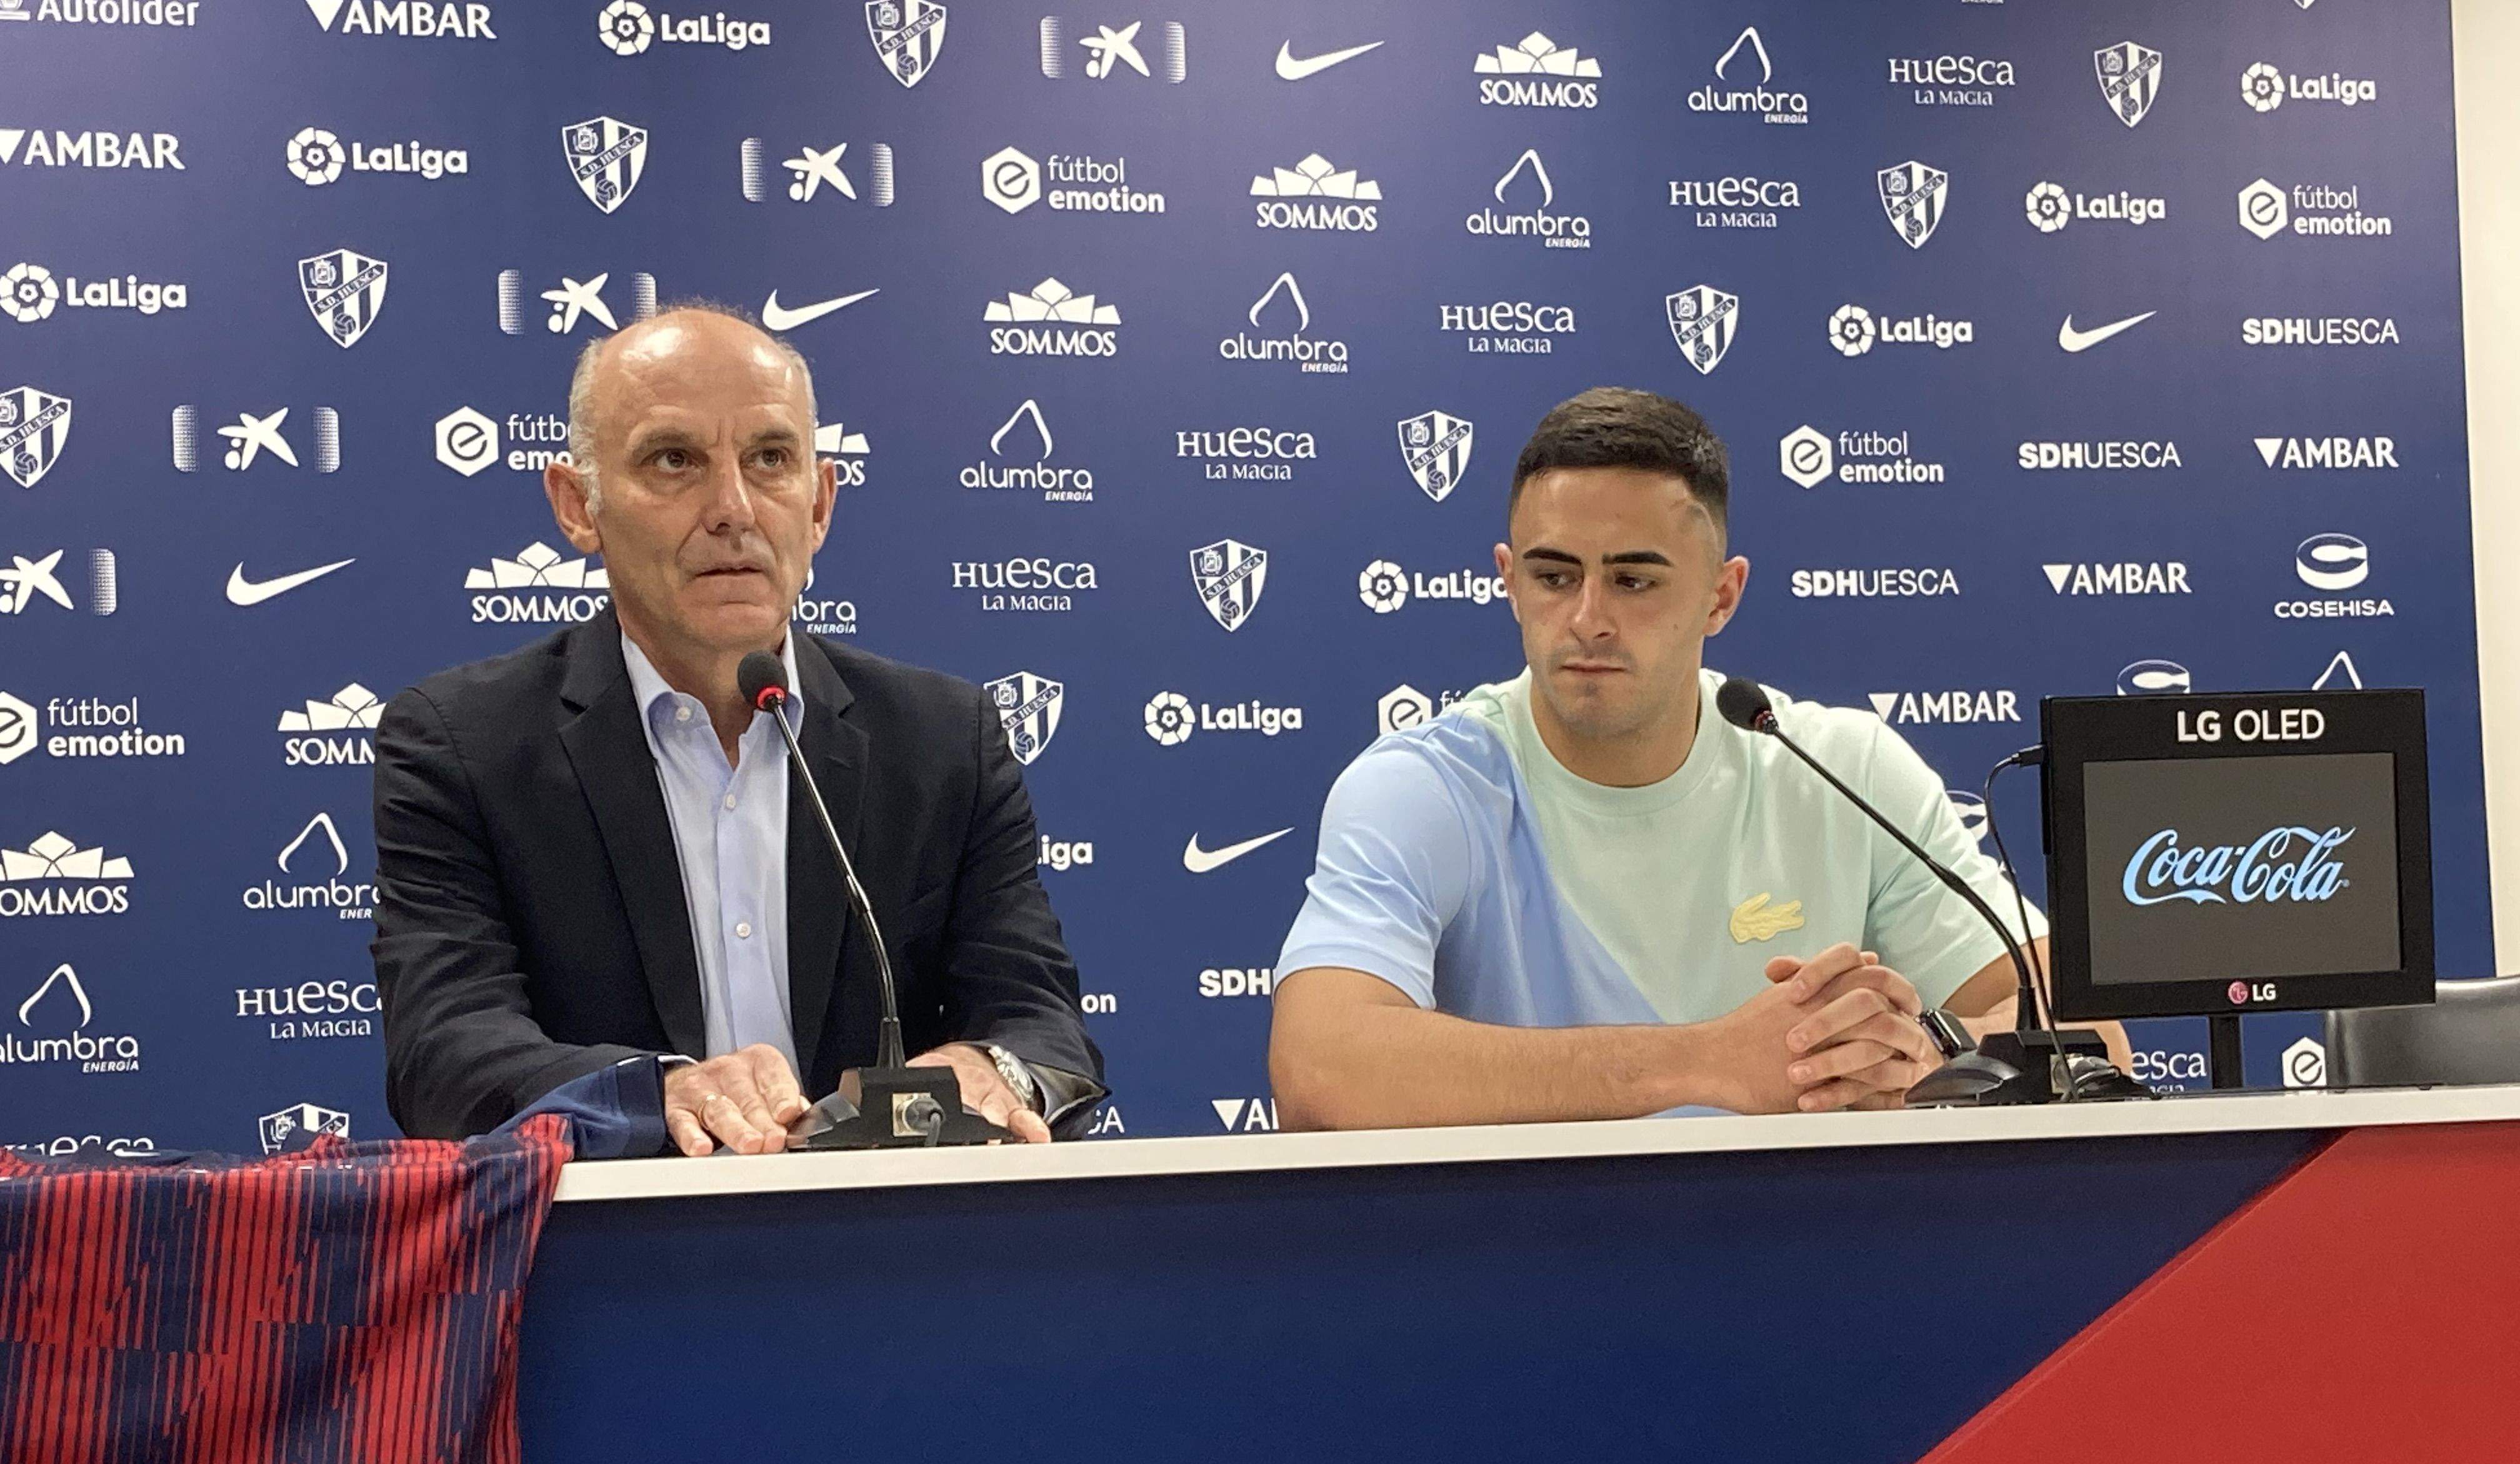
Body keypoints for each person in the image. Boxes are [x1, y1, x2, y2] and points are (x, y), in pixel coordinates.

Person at [1269, 386, 2128, 1129]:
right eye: (1555, 576)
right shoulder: (1425, 786)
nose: (1588, 618)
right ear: (1508, 579)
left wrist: (1914, 1054)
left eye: (1635, 581)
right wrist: (1709, 1062)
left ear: (1723, 595)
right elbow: (1319, 1073)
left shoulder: (1844, 768)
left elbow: (2091, 1036)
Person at [372, 304, 1104, 1154]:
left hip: (899, 1251)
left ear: (821, 504)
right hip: (615, 1258)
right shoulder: (464, 746)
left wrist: (991, 1071)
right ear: (579, 506)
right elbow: (445, 1055)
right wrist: (660, 1093)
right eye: (674, 460)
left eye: (770, 460)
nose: (733, 508)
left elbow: (1042, 1025)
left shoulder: (945, 741)